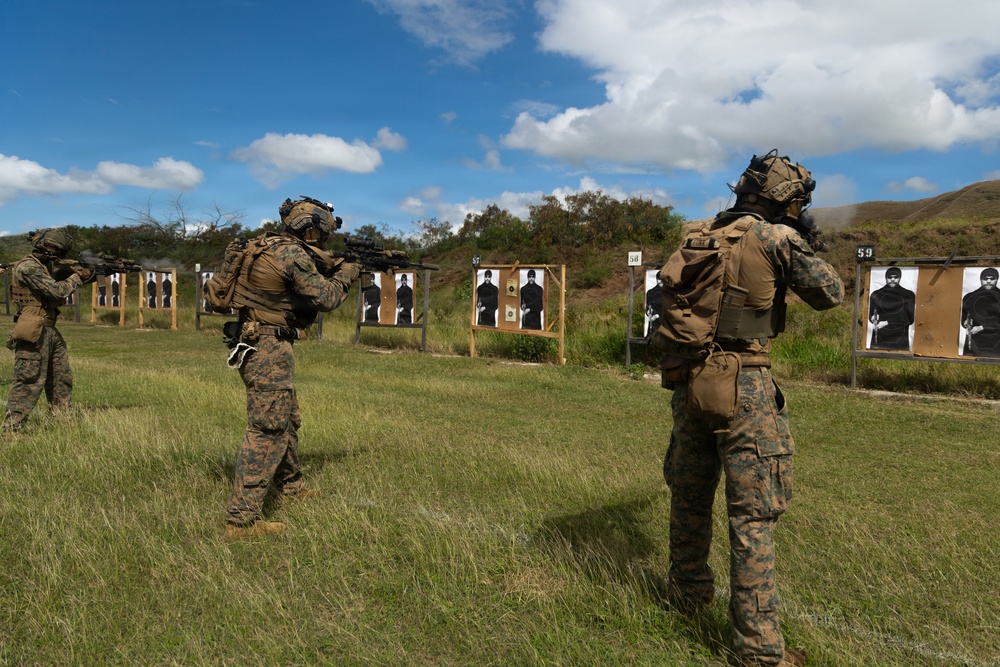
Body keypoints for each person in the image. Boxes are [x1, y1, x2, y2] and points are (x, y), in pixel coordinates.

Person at [656, 151, 843, 667]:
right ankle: (759, 651)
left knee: (689, 497)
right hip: (747, 386)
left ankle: (686, 597)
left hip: (690, 380)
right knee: (752, 517)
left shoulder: (696, 234)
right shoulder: (777, 239)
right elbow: (830, 293)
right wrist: (808, 240)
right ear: (787, 200)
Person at [222, 197, 360, 542]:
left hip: (259, 342)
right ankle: (241, 522)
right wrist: (347, 273)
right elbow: (325, 298)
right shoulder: (292, 254)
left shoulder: (267, 246)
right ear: (310, 229)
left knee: (287, 418)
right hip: (268, 347)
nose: (325, 240)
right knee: (267, 428)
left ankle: (291, 486)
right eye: (323, 233)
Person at [3, 228, 95, 432]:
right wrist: (79, 275)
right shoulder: (27, 267)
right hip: (33, 330)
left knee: (61, 378)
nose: (55, 253)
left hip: (50, 329)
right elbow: (56, 291)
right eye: (53, 249)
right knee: (29, 380)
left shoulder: (45, 267)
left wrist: (91, 272)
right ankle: (11, 430)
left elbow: (62, 278)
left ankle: (63, 423)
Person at [867, 267, 915, 350]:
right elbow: (871, 315)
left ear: (900, 277)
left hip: (900, 340)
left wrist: (888, 322)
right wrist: (873, 318)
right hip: (880, 339)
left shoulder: (909, 295)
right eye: (890, 277)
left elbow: (910, 319)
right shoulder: (876, 294)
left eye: (895, 277)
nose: (892, 279)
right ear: (886, 277)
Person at [961, 267, 1000, 357]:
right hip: (975, 340)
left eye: (992, 278)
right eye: (985, 279)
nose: (989, 281)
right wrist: (965, 322)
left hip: (996, 340)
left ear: (997, 279)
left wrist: (983, 327)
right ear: (981, 280)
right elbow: (963, 316)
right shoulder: (969, 297)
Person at [645, 273, 664, 337]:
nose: (660, 281)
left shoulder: (670, 293)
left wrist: (659, 316)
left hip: (666, 322)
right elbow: (647, 306)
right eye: (659, 279)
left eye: (662, 279)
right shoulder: (650, 292)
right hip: (654, 323)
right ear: (656, 279)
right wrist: (648, 312)